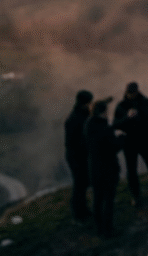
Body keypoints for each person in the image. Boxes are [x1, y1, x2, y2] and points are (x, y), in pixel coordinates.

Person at [113, 82, 148, 206]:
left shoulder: (146, 102)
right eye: (129, 93)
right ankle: (136, 196)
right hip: (129, 142)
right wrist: (127, 117)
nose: (131, 95)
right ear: (126, 92)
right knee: (132, 171)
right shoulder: (121, 106)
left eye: (133, 92)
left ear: (137, 91)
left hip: (145, 140)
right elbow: (115, 124)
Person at [85, 99, 122, 236]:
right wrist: (121, 139)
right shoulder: (104, 127)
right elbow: (112, 147)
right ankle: (108, 229)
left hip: (94, 167)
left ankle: (99, 228)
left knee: (97, 199)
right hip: (108, 168)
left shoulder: (89, 124)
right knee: (108, 199)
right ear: (104, 112)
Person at [64, 89, 94, 222]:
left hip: (80, 155)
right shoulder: (74, 119)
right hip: (77, 157)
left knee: (82, 184)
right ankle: (79, 213)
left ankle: (83, 211)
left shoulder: (80, 114)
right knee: (79, 185)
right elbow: (76, 142)